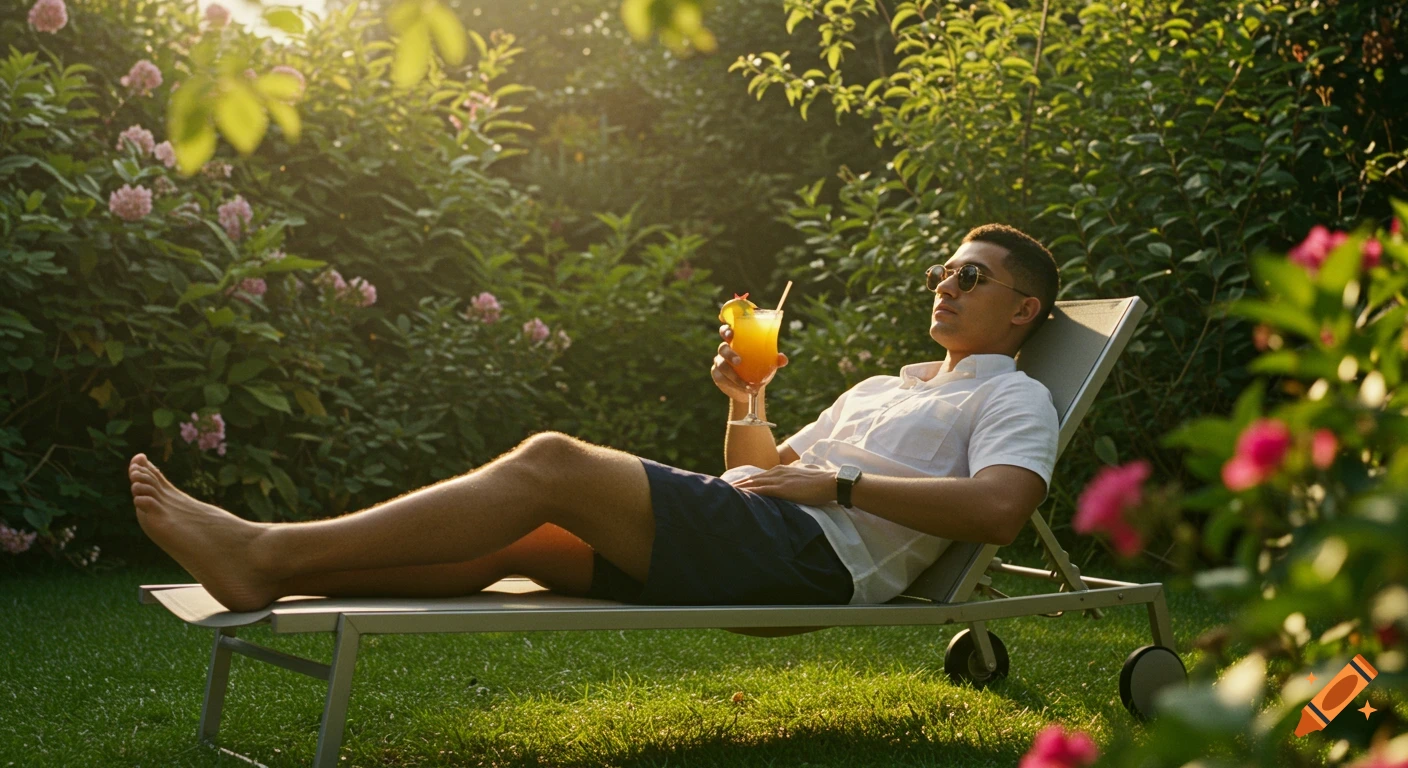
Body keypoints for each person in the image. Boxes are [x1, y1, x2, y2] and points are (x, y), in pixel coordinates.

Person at [129, 223, 1060, 613]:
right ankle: (279, 582)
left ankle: (263, 552)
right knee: (518, 539)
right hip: (761, 525)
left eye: (970, 276)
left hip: (808, 559)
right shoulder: (888, 386)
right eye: (944, 270)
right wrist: (747, 402)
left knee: (551, 462)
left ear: (1023, 311)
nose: (946, 282)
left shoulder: (1012, 395)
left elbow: (1000, 510)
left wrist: (840, 482)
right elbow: (772, 463)